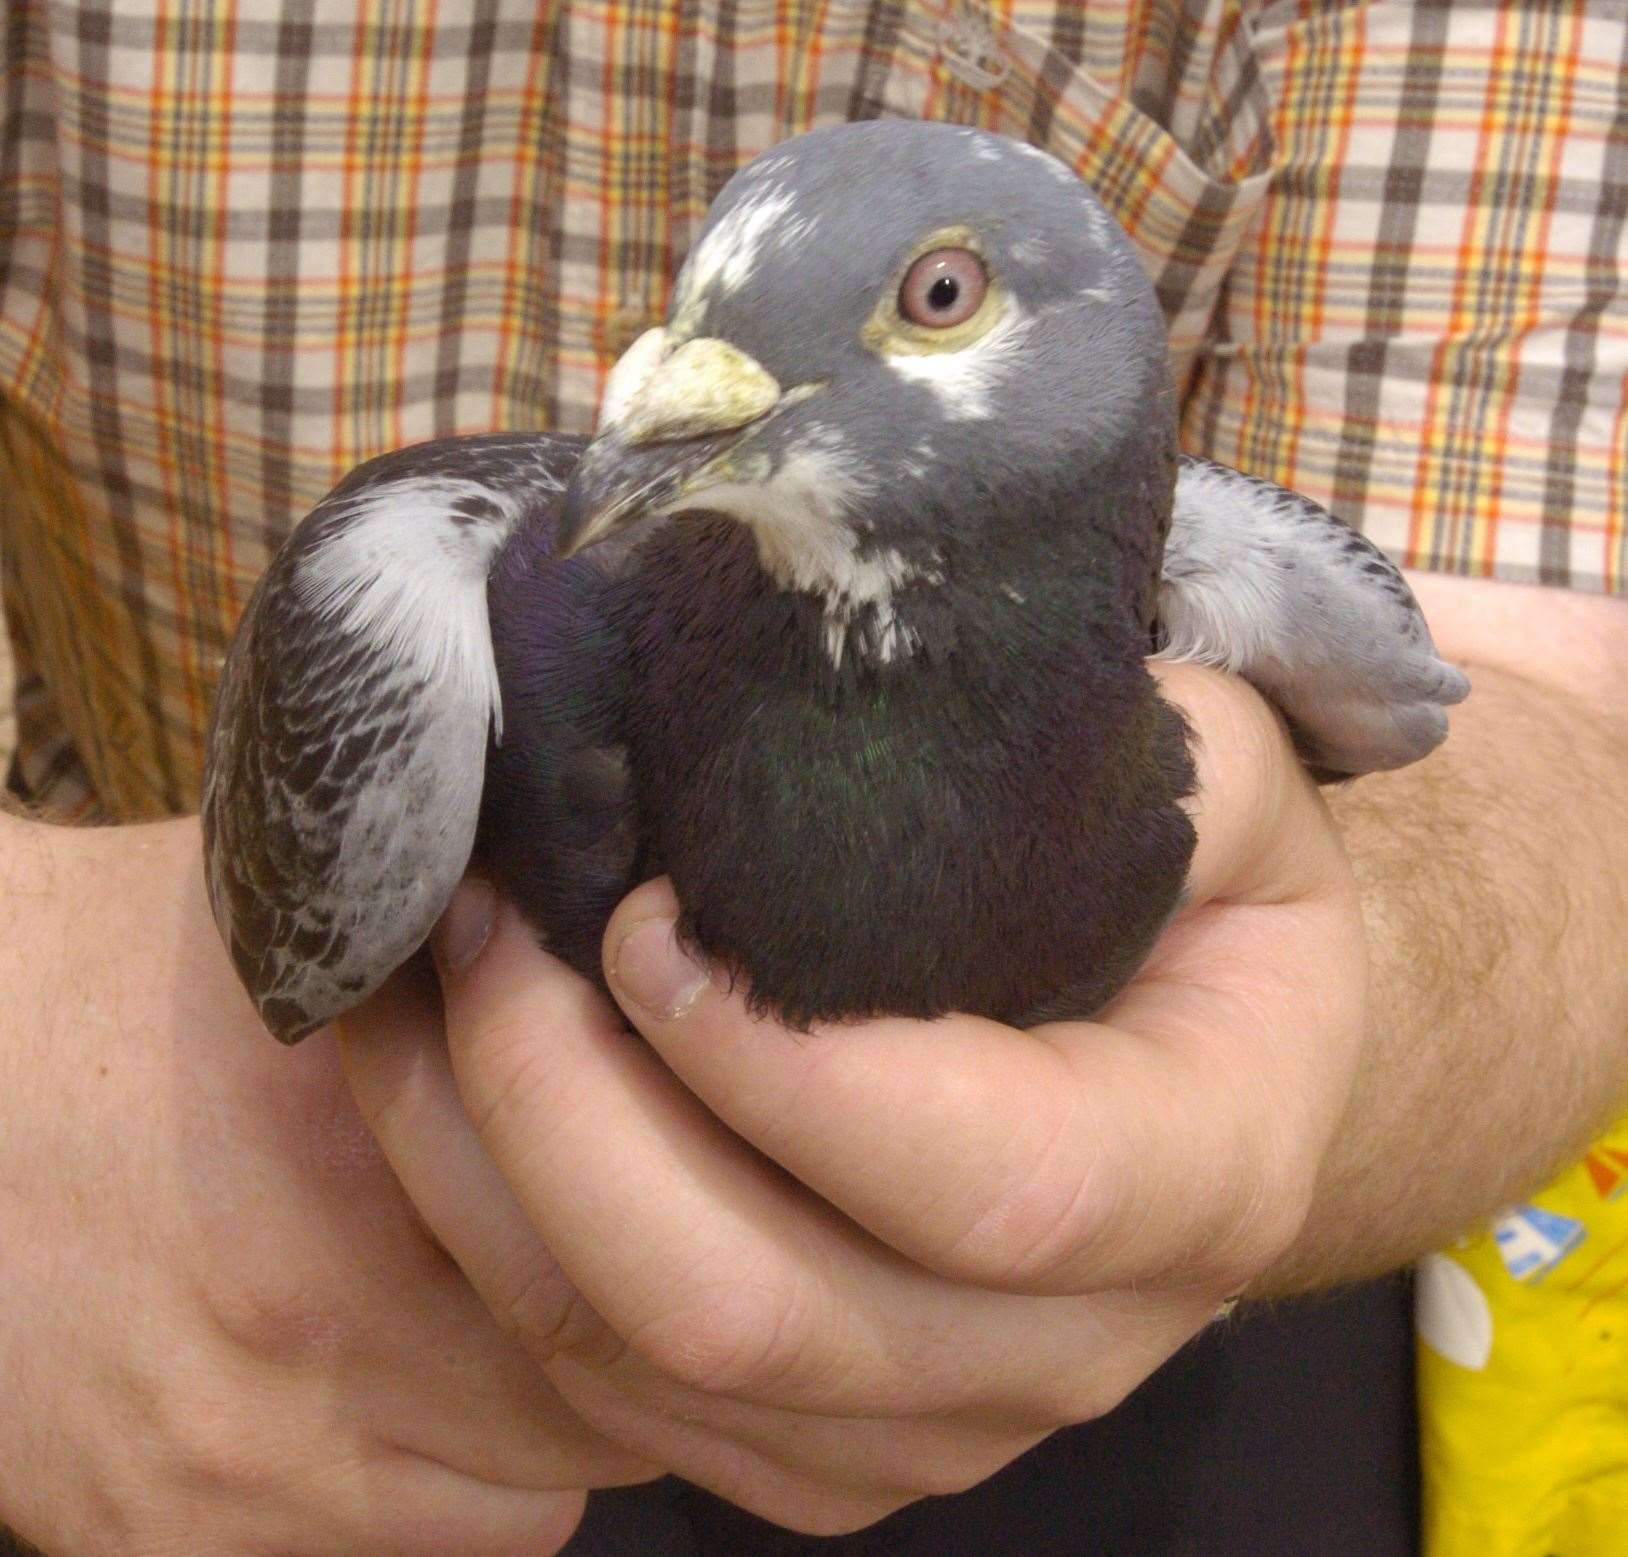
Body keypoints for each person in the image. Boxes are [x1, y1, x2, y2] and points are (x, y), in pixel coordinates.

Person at [1, 1, 1623, 1552]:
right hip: (261, 1282)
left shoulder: (1205, 572)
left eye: (932, 301)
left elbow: (1554, 728)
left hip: (1165, 1338)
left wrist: (1303, 1046)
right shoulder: (421, 615)